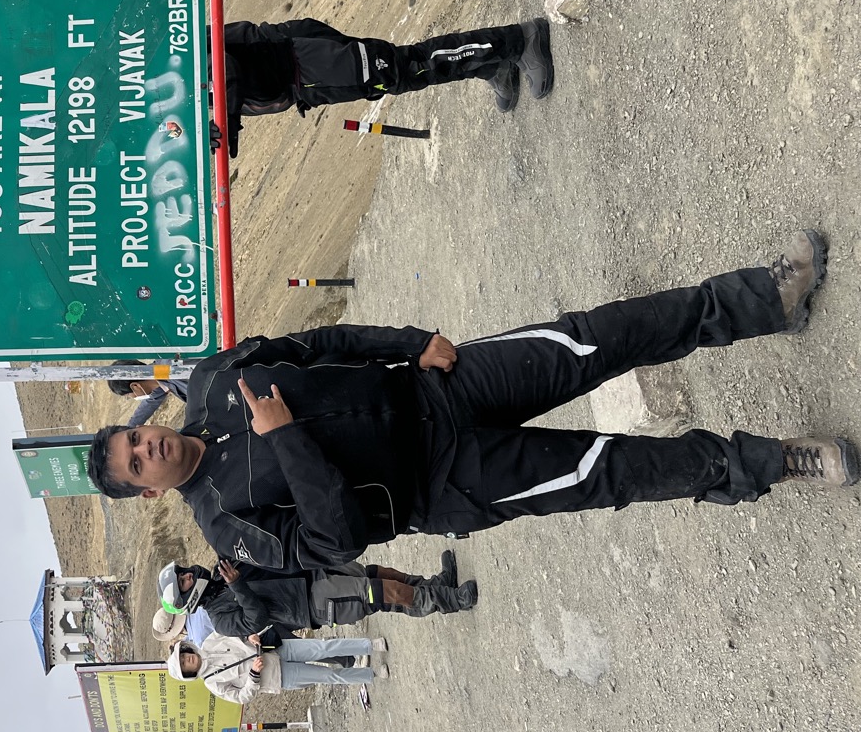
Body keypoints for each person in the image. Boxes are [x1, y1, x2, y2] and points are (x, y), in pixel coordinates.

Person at [86, 232, 857, 571]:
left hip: (438, 383)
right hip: (450, 480)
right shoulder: (228, 526)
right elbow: (337, 540)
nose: (144, 449)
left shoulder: (221, 380)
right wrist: (286, 438)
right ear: (144, 491)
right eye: (134, 465)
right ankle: (769, 463)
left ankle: (764, 298)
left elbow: (327, 344)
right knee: (609, 470)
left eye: (133, 438)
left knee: (596, 339)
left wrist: (413, 337)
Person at [221, 15, 552, 156]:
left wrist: (229, 116)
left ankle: (519, 40)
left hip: (300, 59)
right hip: (304, 83)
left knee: (406, 67)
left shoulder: (174, 60)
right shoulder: (174, 107)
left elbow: (226, 65)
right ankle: (491, 65)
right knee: (399, 78)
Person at [201, 554, 476, 641]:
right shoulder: (221, 621)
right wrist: (238, 585)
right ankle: (450, 601)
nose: (188, 576)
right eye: (184, 583)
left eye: (184, 574)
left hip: (310, 571)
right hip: (311, 603)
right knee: (383, 594)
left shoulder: (219, 573)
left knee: (381, 574)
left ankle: (437, 586)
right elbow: (256, 618)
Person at [167, 632, 389, 701]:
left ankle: (369, 646)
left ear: (188, 650)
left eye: (186, 656)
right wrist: (253, 675)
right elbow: (241, 697)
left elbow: (232, 628)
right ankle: (372, 674)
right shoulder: (212, 683)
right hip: (280, 677)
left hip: (275, 648)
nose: (189, 660)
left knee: (324, 647)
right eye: (186, 665)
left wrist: (249, 636)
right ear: (189, 674)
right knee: (329, 676)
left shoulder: (209, 641)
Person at [107, 359, 188, 428]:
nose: (131, 397)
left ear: (135, 386)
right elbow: (148, 405)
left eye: (128, 395)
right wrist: (128, 430)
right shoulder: (159, 381)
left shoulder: (169, 369)